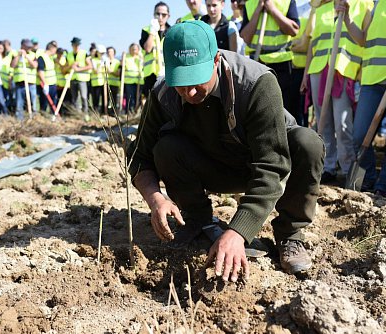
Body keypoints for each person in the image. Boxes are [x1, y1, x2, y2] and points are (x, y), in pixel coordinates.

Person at [127, 20, 324, 277]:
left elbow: (271, 166)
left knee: (308, 144)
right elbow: (139, 156)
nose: (190, 91)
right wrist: (156, 200)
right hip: (212, 164)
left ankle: (289, 234)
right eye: (182, 82)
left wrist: (238, 232)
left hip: (257, 165)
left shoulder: (256, 84)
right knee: (166, 147)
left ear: (217, 61)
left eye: (197, 79)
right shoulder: (162, 94)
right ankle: (197, 220)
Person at [339, 0, 386, 198]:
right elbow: (363, 39)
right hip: (372, 79)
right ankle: (366, 179)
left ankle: (384, 186)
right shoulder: (377, 5)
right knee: (359, 135)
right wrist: (348, 19)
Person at [301, 0, 370, 184]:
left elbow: (364, 41)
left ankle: (348, 169)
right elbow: (312, 45)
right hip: (318, 70)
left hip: (344, 70)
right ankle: (328, 166)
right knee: (324, 124)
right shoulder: (321, 8)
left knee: (342, 123)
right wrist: (305, 75)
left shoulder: (362, 5)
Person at [240, 0, 300, 114]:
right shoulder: (250, 4)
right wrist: (258, 10)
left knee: (284, 108)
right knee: (260, 106)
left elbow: (293, 30)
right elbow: (246, 37)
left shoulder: (287, 2)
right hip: (258, 63)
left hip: (281, 63)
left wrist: (272, 9)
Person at [140, 2, 171, 98]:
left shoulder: (172, 31)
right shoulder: (146, 30)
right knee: (151, 101)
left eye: (164, 14)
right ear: (154, 15)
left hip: (166, 72)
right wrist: (152, 32)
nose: (160, 17)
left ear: (168, 16)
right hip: (151, 73)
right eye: (158, 14)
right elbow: (148, 48)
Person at [62, 37, 92, 117]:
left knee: (83, 97)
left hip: (82, 79)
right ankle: (77, 114)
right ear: (72, 45)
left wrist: (78, 69)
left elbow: (90, 66)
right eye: (75, 45)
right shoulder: (68, 55)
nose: (76, 46)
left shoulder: (84, 53)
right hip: (72, 79)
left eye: (78, 45)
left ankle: (85, 114)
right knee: (74, 98)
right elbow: (65, 68)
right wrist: (71, 66)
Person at [10, 38, 38, 120]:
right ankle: (20, 121)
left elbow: (35, 65)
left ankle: (33, 119)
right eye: (27, 46)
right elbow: (12, 65)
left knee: (33, 103)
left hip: (31, 83)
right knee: (19, 104)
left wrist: (26, 57)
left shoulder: (33, 55)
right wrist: (19, 55)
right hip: (20, 83)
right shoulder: (15, 54)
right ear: (22, 46)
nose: (29, 48)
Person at [37, 41, 58, 113]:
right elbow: (40, 71)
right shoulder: (42, 57)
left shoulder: (50, 58)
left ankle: (53, 117)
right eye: (55, 48)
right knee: (44, 103)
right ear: (51, 48)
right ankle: (43, 117)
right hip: (46, 85)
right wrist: (45, 83)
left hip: (52, 84)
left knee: (53, 102)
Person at [123, 43, 143, 113]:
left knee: (138, 97)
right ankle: (129, 111)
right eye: (132, 49)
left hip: (139, 81)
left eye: (135, 49)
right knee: (130, 97)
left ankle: (137, 111)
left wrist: (141, 58)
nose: (134, 50)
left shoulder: (141, 57)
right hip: (129, 81)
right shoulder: (126, 57)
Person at [90, 44, 108, 114]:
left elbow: (108, 70)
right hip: (96, 83)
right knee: (96, 99)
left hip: (104, 82)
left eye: (103, 53)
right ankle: (96, 113)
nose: (102, 54)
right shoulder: (93, 60)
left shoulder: (106, 59)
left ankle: (104, 113)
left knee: (105, 99)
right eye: (100, 53)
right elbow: (96, 71)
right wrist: (101, 63)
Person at [106, 46, 121, 112]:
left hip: (115, 84)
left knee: (114, 99)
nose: (109, 53)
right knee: (106, 99)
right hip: (106, 84)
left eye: (111, 51)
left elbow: (118, 74)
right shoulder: (105, 61)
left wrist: (110, 72)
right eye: (108, 52)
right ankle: (106, 112)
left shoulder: (117, 62)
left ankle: (114, 112)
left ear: (114, 53)